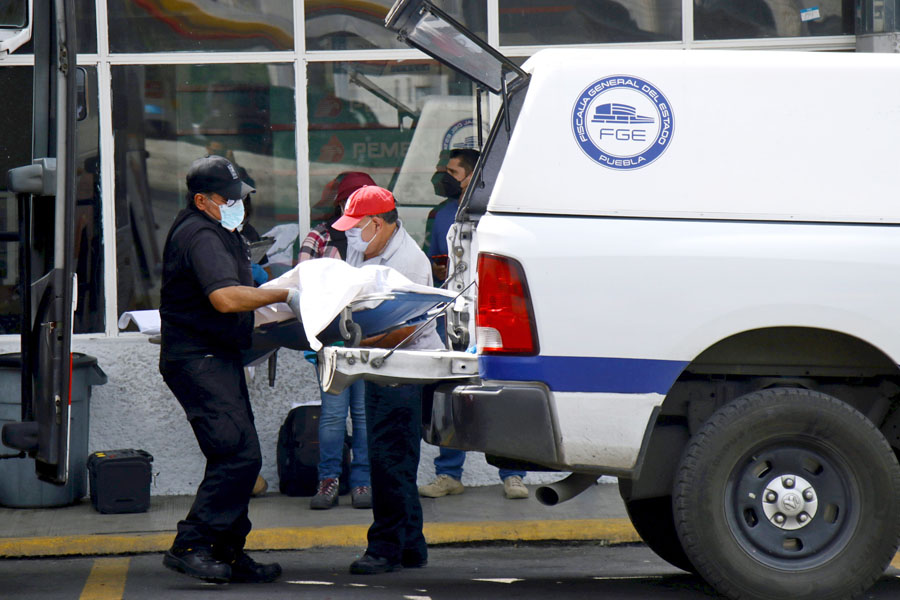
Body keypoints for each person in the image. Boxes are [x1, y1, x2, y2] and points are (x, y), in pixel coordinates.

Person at [158, 155, 302, 584]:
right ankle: (192, 545)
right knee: (237, 455)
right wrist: (286, 293)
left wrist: (273, 302)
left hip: (216, 356)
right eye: (229, 198)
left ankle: (227, 549)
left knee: (239, 454)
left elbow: (239, 292)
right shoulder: (200, 235)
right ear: (202, 200)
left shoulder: (221, 231)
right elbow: (224, 298)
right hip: (197, 359)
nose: (238, 204)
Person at [331, 185, 445, 575]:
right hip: (381, 366)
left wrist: (354, 342)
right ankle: (411, 546)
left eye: (355, 227)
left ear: (377, 224)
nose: (350, 236)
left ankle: (385, 548)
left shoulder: (408, 263)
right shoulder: (365, 247)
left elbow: (406, 329)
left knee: (390, 461)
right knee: (392, 459)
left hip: (404, 371)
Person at [420, 148, 529, 501]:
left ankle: (513, 474)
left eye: (452, 171)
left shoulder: (501, 213)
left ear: (472, 175)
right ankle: (449, 474)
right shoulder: (441, 215)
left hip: (496, 314)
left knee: (502, 391)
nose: (444, 177)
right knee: (453, 394)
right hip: (453, 314)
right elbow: (434, 260)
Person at [298, 172, 376, 510]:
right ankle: (328, 480)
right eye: (351, 199)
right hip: (331, 339)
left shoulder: (376, 235)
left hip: (370, 339)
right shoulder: (320, 235)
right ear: (340, 202)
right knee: (332, 415)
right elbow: (302, 280)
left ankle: (362, 482)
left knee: (362, 414)